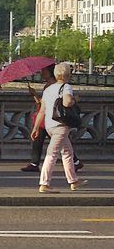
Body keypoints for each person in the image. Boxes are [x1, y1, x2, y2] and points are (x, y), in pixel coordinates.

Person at [36, 61, 86, 193]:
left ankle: (73, 181)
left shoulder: (48, 89)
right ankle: (44, 183)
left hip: (49, 125)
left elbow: (42, 111)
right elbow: (67, 102)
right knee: (52, 154)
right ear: (68, 75)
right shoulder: (66, 87)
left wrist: (36, 128)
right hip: (61, 125)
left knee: (67, 152)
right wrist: (75, 100)